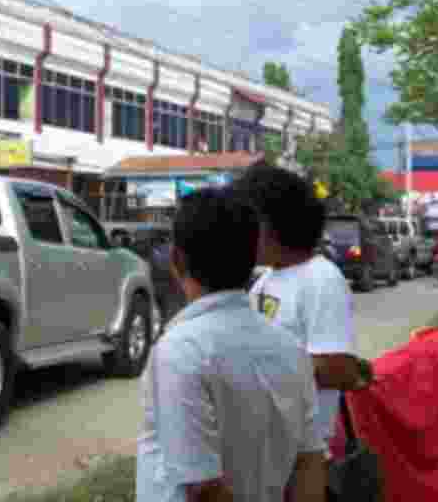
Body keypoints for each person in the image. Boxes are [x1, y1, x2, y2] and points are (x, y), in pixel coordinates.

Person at [137, 187, 327, 502]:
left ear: (177, 260)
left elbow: (204, 488)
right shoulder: (290, 348)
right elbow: (309, 462)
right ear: (253, 258)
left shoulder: (181, 351)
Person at [233, 164, 372, 455]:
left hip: (302, 455)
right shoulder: (265, 280)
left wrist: (255, 366)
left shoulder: (321, 279)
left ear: (270, 225)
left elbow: (338, 369)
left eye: (245, 220)